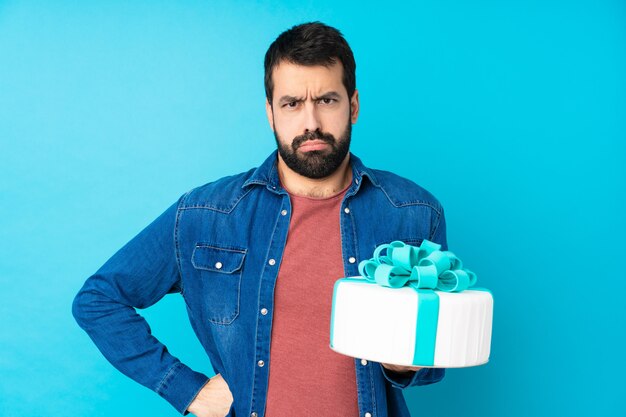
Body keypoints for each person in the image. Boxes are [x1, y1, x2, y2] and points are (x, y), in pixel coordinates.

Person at [72, 21, 447, 417]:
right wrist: (186, 390)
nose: (312, 123)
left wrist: (406, 363)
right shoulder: (206, 215)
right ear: (270, 112)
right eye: (292, 104)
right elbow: (98, 300)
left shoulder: (414, 213)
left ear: (353, 105)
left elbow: (434, 358)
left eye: (327, 100)